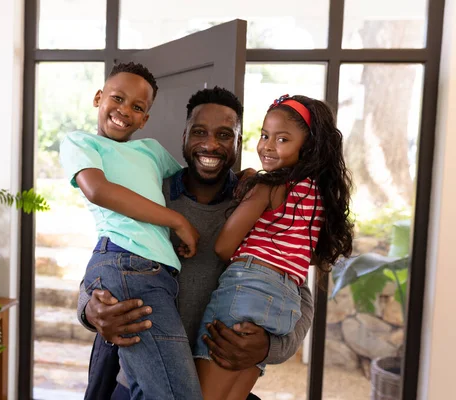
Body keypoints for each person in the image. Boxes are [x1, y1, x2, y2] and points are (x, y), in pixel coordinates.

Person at [78, 87, 316, 400]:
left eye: (224, 135)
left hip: (216, 383)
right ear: (185, 136)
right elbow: (107, 260)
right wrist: (89, 310)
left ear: (239, 142)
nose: (210, 144)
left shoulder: (258, 202)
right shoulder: (150, 195)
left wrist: (271, 346)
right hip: (135, 386)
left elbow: (298, 289)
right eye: (200, 132)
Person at [194, 94, 354, 399]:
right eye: (265, 135)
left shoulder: (269, 186)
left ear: (306, 147)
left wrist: (251, 190)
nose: (267, 145)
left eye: (282, 139)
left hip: (246, 287)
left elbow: (223, 246)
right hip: (284, 304)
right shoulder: (318, 195)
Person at [60, 61, 203, 400]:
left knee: (143, 391)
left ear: (145, 118)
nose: (125, 111)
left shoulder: (151, 151)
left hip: (156, 274)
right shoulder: (81, 143)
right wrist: (177, 221)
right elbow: (98, 191)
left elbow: (195, 178)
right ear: (99, 97)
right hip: (126, 265)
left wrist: (247, 179)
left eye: (137, 107)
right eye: (118, 98)